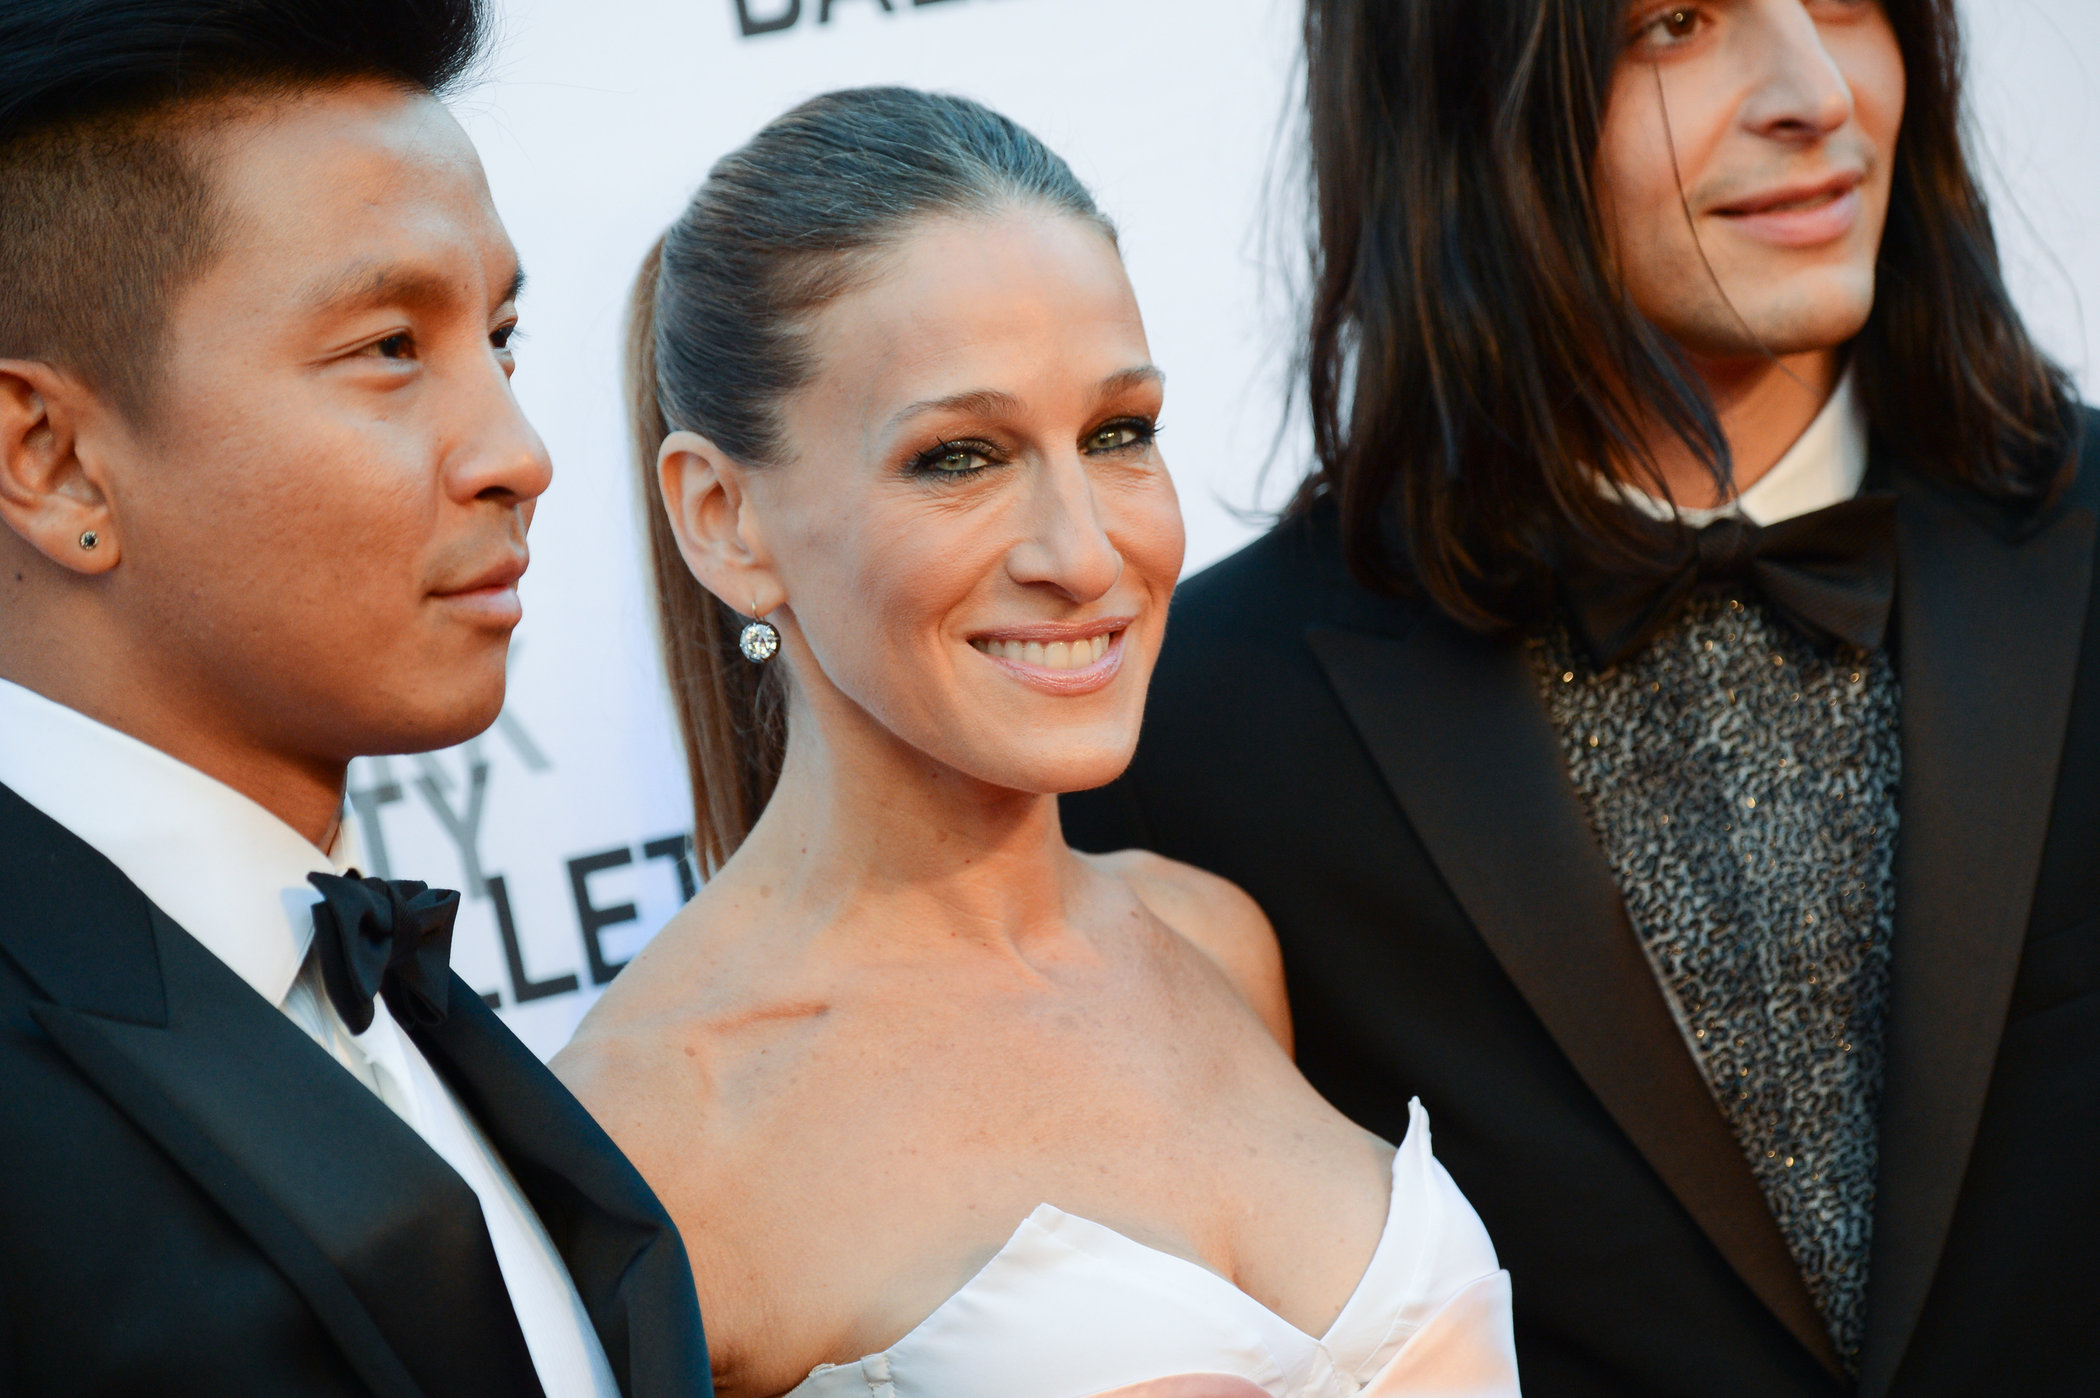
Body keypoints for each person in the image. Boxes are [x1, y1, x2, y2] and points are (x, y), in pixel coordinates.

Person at [1064, 0, 2099, 1394]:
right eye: (1674, 23)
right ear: (1456, 92)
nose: (1816, 92)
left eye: (1848, 2)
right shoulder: (1197, 724)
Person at [553, 87, 1520, 1398]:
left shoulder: (1210, 938)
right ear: (725, 518)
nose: (1086, 553)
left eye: (1119, 434)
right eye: (961, 456)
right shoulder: (651, 1133)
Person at [0, 3, 708, 1393]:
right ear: (55, 460)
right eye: (389, 346)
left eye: (500, 337)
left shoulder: (398, 997)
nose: (519, 453)